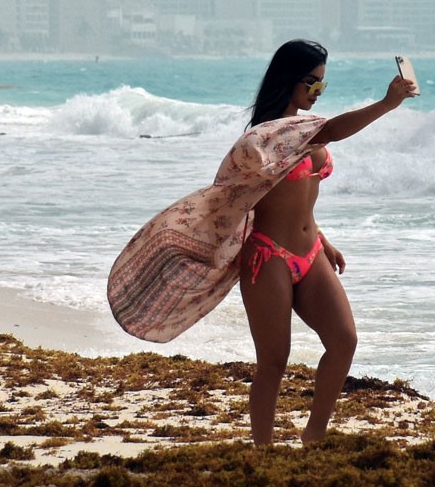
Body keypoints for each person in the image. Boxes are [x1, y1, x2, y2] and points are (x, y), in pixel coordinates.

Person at [108, 40, 415, 446]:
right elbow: (332, 132)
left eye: (323, 85)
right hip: (268, 257)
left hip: (310, 254)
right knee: (274, 361)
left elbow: (298, 201)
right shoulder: (264, 138)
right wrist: (385, 104)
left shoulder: (300, 131)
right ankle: (262, 449)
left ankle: (314, 436)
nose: (318, 92)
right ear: (288, 79)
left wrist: (323, 240)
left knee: (344, 340)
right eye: (313, 83)